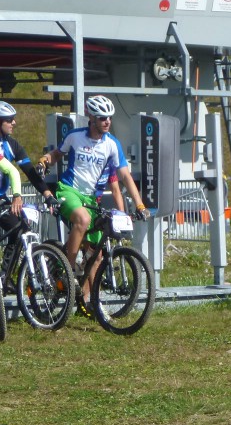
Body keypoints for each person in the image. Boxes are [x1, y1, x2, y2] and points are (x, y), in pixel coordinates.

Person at [36, 94, 149, 285]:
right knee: (83, 219)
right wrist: (44, 160)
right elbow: (57, 153)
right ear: (92, 118)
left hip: (90, 198)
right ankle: (68, 271)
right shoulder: (75, 136)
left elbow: (125, 177)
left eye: (110, 118)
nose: (107, 122)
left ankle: (88, 299)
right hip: (69, 190)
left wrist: (139, 205)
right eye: (103, 118)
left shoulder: (112, 144)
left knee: (95, 256)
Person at [0, 100, 58, 280]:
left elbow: (30, 172)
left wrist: (48, 195)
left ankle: (4, 277)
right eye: (9, 120)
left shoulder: (12, 145)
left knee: (20, 228)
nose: (14, 123)